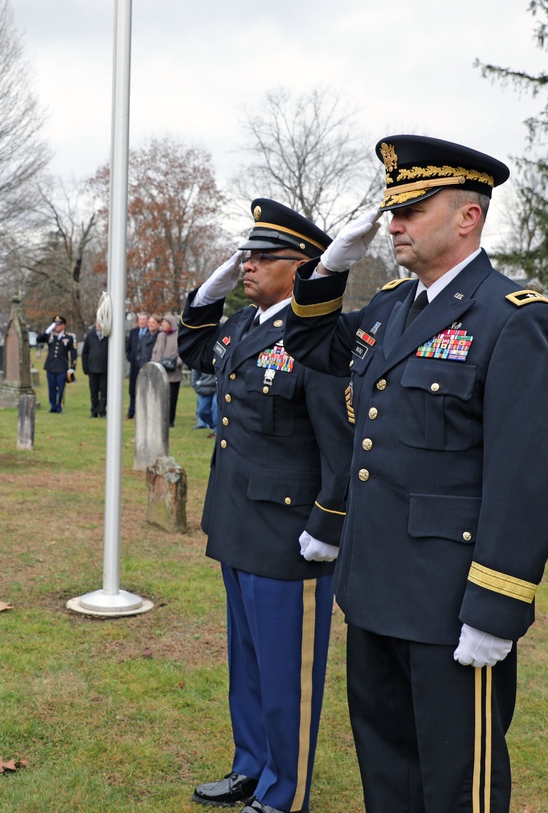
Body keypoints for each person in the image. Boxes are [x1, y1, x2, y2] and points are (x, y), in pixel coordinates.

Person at [284, 135, 548, 813]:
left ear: (467, 217)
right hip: (374, 584)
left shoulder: (511, 319)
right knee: (386, 771)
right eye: (392, 209)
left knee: (456, 784)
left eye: (412, 208)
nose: (394, 224)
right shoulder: (390, 307)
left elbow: (528, 477)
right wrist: (328, 269)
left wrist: (497, 607)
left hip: (450, 603)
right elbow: (310, 344)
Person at [179, 199, 352, 813]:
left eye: (261, 258)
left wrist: (328, 524)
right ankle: (251, 765)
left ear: (302, 265)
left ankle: (287, 790)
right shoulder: (244, 327)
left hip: (289, 533)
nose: (247, 266)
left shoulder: (318, 338)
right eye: (244, 257)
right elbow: (195, 351)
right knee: (248, 662)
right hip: (238, 520)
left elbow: (341, 444)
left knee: (288, 675)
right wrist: (208, 292)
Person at [35, 315, 77, 413]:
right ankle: (53, 406)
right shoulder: (50, 335)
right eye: (55, 325)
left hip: (62, 367)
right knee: (51, 387)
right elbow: (38, 339)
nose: (57, 327)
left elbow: (73, 353)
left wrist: (72, 367)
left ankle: (59, 406)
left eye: (59, 324)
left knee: (61, 388)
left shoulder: (68, 337)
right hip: (50, 366)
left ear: (63, 326)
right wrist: (46, 331)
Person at [151, 314, 183, 427]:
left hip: (174, 374)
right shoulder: (160, 336)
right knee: (160, 398)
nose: (162, 324)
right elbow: (155, 351)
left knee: (172, 399)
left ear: (170, 323)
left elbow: (182, 352)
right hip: (160, 372)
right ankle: (160, 419)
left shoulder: (179, 335)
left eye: (164, 322)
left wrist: (177, 363)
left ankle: (170, 421)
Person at [81, 321, 109, 418]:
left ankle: (102, 411)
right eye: (98, 324)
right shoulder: (90, 336)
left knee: (104, 392)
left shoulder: (108, 336)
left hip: (105, 369)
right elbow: (85, 353)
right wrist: (85, 367)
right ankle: (94, 411)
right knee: (94, 392)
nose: (100, 326)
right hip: (92, 369)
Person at [125, 312, 150, 418]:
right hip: (134, 364)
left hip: (146, 365)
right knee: (133, 389)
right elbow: (129, 348)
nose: (142, 321)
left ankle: (144, 411)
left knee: (145, 388)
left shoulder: (150, 332)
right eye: (140, 319)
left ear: (147, 321)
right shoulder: (133, 332)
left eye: (144, 319)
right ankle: (131, 411)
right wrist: (131, 357)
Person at [191, 368, 217, 433]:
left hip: (218, 388)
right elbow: (194, 376)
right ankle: (214, 426)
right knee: (202, 411)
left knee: (216, 408)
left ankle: (217, 430)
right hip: (204, 388)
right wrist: (197, 387)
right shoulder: (202, 358)